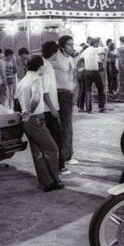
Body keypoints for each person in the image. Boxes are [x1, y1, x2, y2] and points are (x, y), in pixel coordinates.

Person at [15, 55, 64, 192]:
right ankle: (54, 181)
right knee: (52, 149)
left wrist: (24, 112)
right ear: (40, 66)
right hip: (36, 119)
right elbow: (36, 97)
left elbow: (16, 100)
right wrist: (30, 111)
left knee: (38, 152)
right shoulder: (36, 79)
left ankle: (45, 182)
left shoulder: (22, 81)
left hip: (26, 122)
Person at [50, 35, 79, 166]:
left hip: (69, 94)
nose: (72, 47)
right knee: (66, 126)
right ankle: (66, 155)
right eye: (69, 45)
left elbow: (72, 76)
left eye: (72, 44)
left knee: (67, 126)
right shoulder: (56, 58)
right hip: (60, 93)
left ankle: (65, 154)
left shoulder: (70, 58)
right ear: (62, 46)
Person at [41, 41, 69, 175]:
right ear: (53, 52)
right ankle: (59, 166)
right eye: (57, 52)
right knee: (56, 139)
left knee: (53, 139)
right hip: (48, 109)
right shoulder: (46, 68)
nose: (58, 55)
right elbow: (45, 91)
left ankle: (55, 166)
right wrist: (52, 109)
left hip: (48, 108)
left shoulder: (45, 65)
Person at [81, 37, 106, 113]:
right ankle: (101, 107)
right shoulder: (96, 49)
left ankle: (89, 109)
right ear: (95, 43)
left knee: (88, 90)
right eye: (97, 43)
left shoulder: (85, 50)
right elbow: (104, 50)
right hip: (95, 72)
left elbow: (81, 58)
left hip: (86, 72)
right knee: (100, 88)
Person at [75, 43, 88, 112]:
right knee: (83, 91)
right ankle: (80, 107)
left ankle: (79, 105)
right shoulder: (84, 57)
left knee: (80, 90)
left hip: (78, 74)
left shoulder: (79, 56)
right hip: (83, 74)